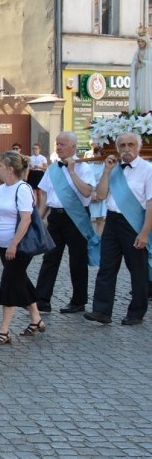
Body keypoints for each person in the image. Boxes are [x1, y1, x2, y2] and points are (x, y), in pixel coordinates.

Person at [85, 132, 152, 326]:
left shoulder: (147, 170)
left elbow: (150, 204)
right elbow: (102, 195)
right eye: (122, 145)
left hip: (133, 223)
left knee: (137, 270)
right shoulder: (113, 169)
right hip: (112, 222)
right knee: (107, 267)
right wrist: (106, 172)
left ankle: (136, 312)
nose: (126, 149)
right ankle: (102, 311)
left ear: (138, 147)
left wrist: (145, 232)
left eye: (131, 145)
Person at [0, 151, 46, 345]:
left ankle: (4, 331)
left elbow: (26, 219)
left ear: (10, 169)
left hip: (19, 246)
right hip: (4, 244)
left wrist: (13, 243)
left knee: (9, 283)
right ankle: (36, 319)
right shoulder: (1, 189)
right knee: (20, 280)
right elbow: (3, 216)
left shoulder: (23, 189)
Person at [34, 132, 94, 314]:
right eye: (57, 144)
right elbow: (44, 197)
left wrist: (72, 171)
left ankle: (78, 301)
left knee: (77, 260)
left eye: (62, 144)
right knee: (50, 258)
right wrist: (38, 219)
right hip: (55, 218)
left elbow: (86, 192)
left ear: (73, 147)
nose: (58, 147)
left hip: (75, 218)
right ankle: (42, 300)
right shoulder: (52, 169)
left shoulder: (84, 167)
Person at [85, 143, 107, 235]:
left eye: (97, 154)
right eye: (95, 153)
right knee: (89, 218)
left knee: (101, 219)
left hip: (102, 194)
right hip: (92, 194)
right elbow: (87, 181)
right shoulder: (89, 167)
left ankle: (99, 238)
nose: (95, 155)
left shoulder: (106, 166)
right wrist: (92, 193)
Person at [128, 28, 151, 112]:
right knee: (138, 95)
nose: (140, 43)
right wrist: (137, 63)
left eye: (142, 41)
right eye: (139, 41)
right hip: (139, 77)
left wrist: (143, 62)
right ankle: (138, 112)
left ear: (146, 42)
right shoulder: (136, 52)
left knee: (146, 95)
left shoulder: (150, 52)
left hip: (148, 79)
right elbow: (133, 65)